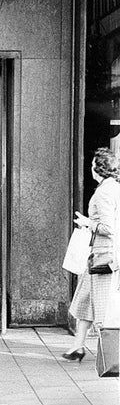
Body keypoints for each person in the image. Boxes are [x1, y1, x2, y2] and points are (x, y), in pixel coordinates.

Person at [63, 147, 120, 362]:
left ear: (98, 169)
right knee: (86, 301)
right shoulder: (113, 188)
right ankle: (77, 347)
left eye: (93, 165)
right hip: (99, 255)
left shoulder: (105, 192)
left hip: (104, 258)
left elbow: (109, 228)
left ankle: (111, 357)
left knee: (104, 308)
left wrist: (88, 223)